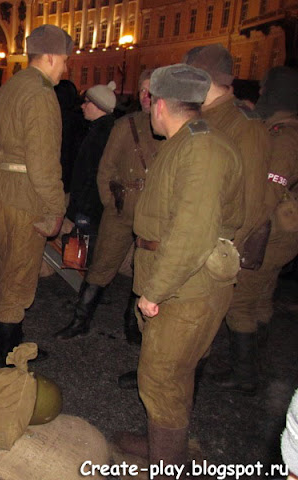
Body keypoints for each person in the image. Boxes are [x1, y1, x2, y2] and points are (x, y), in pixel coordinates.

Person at [114, 64, 244, 474]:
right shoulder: (186, 141)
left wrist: (155, 291)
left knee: (160, 376)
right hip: (180, 280)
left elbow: (191, 233)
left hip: (187, 285)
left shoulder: (200, 150)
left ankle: (166, 465)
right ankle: (164, 444)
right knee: (172, 373)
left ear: (160, 104)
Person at [0, 24, 72, 368]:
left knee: (10, 271)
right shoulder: (41, 93)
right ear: (49, 56)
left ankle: (15, 346)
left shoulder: (12, 86)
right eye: (63, 60)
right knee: (18, 282)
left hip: (0, 191)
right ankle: (5, 361)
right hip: (25, 197)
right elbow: (44, 160)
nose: (65, 67)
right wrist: (56, 206)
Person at [183, 44, 272, 395]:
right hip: (191, 239)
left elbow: (252, 203)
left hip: (212, 248)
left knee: (198, 332)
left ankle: (181, 409)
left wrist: (222, 255)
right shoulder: (204, 116)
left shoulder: (243, 125)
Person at [56, 70, 162, 344]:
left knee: (145, 271)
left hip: (156, 215)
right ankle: (81, 320)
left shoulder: (173, 129)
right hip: (120, 211)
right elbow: (105, 171)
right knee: (100, 266)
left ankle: (133, 325)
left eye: (151, 91)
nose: (145, 96)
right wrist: (110, 204)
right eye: (142, 90)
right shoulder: (125, 125)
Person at [210, 66, 298, 394]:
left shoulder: (285, 136)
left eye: (265, 89)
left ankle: (244, 374)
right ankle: (256, 363)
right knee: (262, 297)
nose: (260, 94)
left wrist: (243, 235)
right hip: (280, 235)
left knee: (241, 301)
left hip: (268, 235)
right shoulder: (285, 129)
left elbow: (268, 191)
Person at [66, 80, 117, 227]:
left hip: (89, 210)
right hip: (90, 208)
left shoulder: (100, 135)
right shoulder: (99, 130)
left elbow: (90, 176)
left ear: (98, 106)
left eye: (87, 102)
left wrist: (77, 210)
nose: (82, 106)